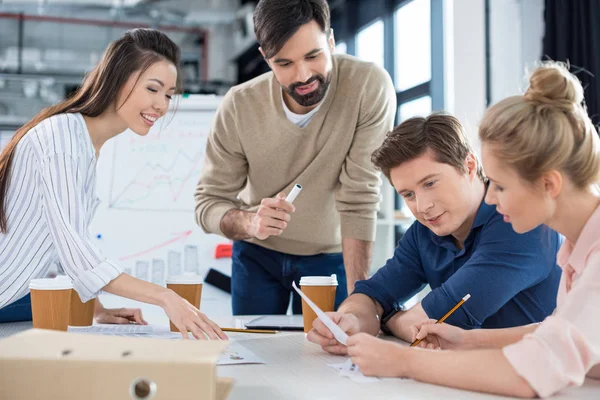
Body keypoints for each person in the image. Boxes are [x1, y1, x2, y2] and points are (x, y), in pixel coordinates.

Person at [344, 63, 600, 398]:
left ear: (548, 183)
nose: (490, 197)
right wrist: (467, 340)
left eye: (500, 186)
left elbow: (530, 374)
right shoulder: (578, 251)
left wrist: (403, 361)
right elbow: (561, 333)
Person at [0, 28, 226, 340]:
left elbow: (58, 247)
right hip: (9, 300)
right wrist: (166, 298)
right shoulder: (63, 138)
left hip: (15, 301)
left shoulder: (84, 144)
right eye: (153, 89)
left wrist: (97, 310)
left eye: (169, 94)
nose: (162, 105)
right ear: (118, 79)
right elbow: (75, 250)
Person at [194, 0, 396, 315]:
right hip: (257, 253)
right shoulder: (239, 106)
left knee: (331, 355)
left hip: (331, 255)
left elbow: (360, 195)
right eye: (284, 63)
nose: (303, 76)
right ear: (265, 58)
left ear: (330, 41)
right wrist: (251, 222)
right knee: (256, 354)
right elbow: (207, 203)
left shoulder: (368, 87)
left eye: (313, 56)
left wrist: (362, 301)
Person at [307, 113, 562, 353]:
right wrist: (350, 320)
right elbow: (372, 294)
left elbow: (441, 322)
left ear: (470, 166)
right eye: (408, 194)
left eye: (430, 183)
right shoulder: (424, 233)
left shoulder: (521, 222)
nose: (422, 206)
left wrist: (387, 319)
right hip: (470, 375)